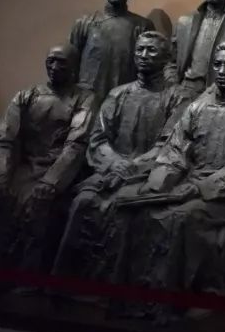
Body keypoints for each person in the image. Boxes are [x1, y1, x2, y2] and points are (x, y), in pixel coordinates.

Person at [116, 41, 225, 298]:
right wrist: (158, 185)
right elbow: (175, 150)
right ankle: (141, 295)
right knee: (143, 211)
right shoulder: (197, 107)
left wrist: (200, 187)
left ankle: (185, 296)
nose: (221, 71)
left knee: (182, 217)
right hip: (189, 185)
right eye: (217, 64)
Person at [52, 31, 194, 280]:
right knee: (83, 202)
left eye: (151, 50)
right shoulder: (118, 94)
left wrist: (133, 167)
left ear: (165, 58)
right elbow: (98, 138)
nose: (144, 55)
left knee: (122, 209)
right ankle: (68, 284)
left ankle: (115, 289)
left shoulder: (179, 97)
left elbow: (169, 144)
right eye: (140, 50)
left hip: (149, 175)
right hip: (111, 170)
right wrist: (115, 163)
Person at [0, 44, 94, 271]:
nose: (54, 66)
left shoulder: (84, 98)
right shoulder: (26, 95)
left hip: (58, 171)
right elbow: (4, 138)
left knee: (37, 207)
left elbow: (76, 144)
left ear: (74, 66)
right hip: (23, 168)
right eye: (51, 60)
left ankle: (29, 278)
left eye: (62, 62)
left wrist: (51, 181)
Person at [70, 0, 154, 107]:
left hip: (124, 100)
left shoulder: (142, 26)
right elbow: (71, 64)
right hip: (87, 99)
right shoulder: (84, 23)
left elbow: (148, 69)